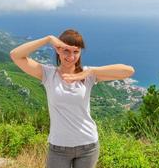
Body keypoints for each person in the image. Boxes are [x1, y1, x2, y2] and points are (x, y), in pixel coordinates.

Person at [9, 29, 135, 168]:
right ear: (58, 50)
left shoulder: (88, 74)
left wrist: (91, 71)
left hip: (88, 146)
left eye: (76, 51)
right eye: (66, 51)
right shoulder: (48, 74)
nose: (71, 56)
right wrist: (48, 39)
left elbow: (128, 71)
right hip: (58, 148)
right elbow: (15, 55)